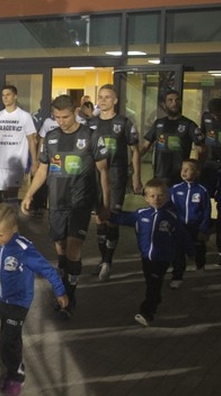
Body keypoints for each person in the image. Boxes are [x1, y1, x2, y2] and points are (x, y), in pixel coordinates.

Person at [21, 95, 110, 317]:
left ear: (75, 112)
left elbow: (103, 172)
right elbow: (43, 169)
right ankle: (64, 286)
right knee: (60, 249)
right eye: (57, 117)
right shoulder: (51, 137)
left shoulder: (91, 136)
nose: (61, 121)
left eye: (66, 117)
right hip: (57, 202)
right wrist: (29, 194)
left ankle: (69, 296)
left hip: (81, 203)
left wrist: (105, 204)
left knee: (73, 248)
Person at [0, 204, 67, 396]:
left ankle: (17, 374)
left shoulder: (24, 249)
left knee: (5, 343)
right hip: (2, 300)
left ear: (14, 229)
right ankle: (15, 363)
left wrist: (60, 291)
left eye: (0, 235)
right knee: (12, 337)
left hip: (19, 304)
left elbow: (47, 269)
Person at [111, 179, 194, 327]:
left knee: (153, 285)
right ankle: (156, 299)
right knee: (151, 283)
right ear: (146, 198)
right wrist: (107, 216)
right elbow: (123, 218)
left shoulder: (171, 217)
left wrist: (191, 252)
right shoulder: (140, 214)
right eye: (153, 196)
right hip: (146, 258)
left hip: (162, 259)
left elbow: (182, 236)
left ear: (166, 197)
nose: (157, 199)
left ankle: (147, 313)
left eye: (160, 195)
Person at [86, 84, 142, 281]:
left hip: (116, 175)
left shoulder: (124, 123)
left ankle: (108, 261)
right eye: (100, 97)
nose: (103, 100)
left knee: (111, 217)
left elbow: (135, 151)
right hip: (95, 176)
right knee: (99, 218)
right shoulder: (91, 123)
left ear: (115, 100)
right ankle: (103, 260)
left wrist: (136, 176)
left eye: (107, 97)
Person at [0, 85, 38, 203]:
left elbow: (31, 140)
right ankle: (6, 213)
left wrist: (34, 162)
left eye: (8, 95)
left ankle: (13, 213)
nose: (5, 98)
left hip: (17, 163)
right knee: (2, 195)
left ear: (15, 96)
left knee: (12, 195)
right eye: (3, 95)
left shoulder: (24, 116)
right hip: (1, 162)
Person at [139, 89, 204, 186]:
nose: (174, 103)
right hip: (160, 175)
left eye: (177, 100)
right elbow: (144, 146)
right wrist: (133, 162)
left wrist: (196, 169)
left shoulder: (189, 124)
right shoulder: (158, 124)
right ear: (164, 104)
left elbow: (201, 149)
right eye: (170, 100)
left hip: (181, 177)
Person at [169, 159, 210, 288]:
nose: (184, 172)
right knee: (178, 252)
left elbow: (206, 211)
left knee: (198, 249)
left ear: (197, 172)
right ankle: (177, 276)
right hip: (180, 228)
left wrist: (203, 229)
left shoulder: (202, 191)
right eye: (183, 169)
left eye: (188, 169)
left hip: (195, 228)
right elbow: (168, 208)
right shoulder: (174, 189)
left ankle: (200, 265)